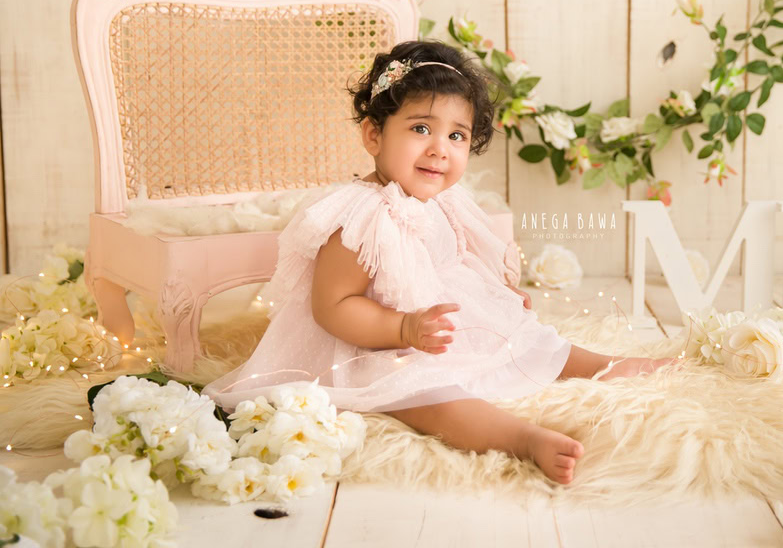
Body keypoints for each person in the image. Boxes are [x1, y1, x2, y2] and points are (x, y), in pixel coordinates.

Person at [203, 40, 671, 484]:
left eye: (457, 135)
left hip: (435, 327)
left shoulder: (443, 201)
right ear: (374, 135)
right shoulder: (363, 216)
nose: (439, 148)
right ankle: (522, 439)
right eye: (421, 128)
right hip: (372, 346)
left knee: (528, 336)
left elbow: (459, 259)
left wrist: (499, 292)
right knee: (425, 395)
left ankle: (601, 364)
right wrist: (403, 329)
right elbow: (332, 306)